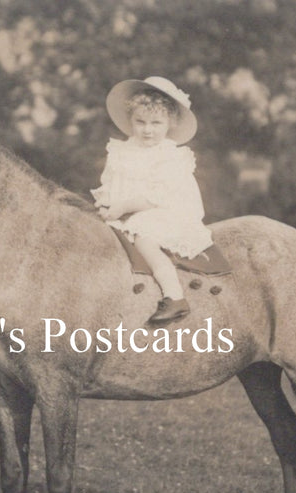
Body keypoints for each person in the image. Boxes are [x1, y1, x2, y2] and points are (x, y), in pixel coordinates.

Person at [92, 76, 212, 324]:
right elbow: (111, 183)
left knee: (145, 239)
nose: (148, 130)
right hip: (125, 214)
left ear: (170, 124)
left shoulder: (170, 156)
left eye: (156, 123)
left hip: (165, 212)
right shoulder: (121, 151)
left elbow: (157, 197)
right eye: (141, 122)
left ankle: (174, 296)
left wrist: (123, 207)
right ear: (131, 120)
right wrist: (106, 204)